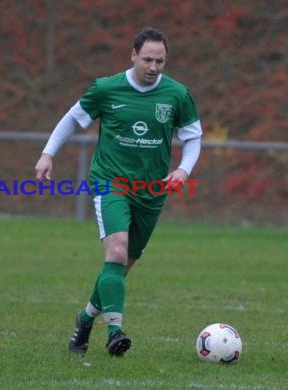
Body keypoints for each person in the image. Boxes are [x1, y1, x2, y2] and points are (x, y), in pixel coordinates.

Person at [34, 27, 202, 357]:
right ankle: (115, 332)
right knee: (116, 251)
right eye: (148, 60)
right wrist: (47, 153)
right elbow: (72, 119)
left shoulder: (177, 94)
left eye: (161, 61)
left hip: (152, 191)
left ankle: (84, 319)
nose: (154, 67)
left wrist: (184, 169)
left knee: (121, 268)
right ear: (133, 56)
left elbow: (193, 136)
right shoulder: (107, 88)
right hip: (110, 182)